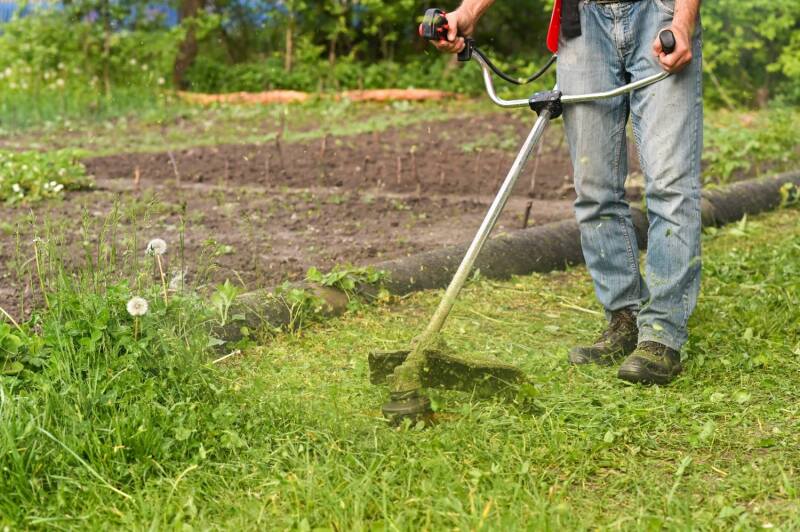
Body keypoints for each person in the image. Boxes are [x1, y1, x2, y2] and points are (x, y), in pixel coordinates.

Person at [431, 0, 703, 384]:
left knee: (670, 185)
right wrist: (467, 13)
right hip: (583, 25)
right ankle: (624, 317)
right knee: (594, 188)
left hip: (658, 13)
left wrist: (682, 20)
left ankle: (662, 334)